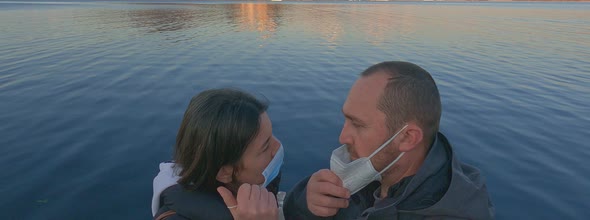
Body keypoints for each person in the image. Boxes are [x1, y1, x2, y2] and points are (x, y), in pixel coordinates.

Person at [284, 61, 494, 219]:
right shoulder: (378, 170)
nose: (342, 137)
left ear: (407, 138)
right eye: (346, 119)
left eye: (357, 125)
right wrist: (307, 202)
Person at [152, 88, 284, 220]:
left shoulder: (249, 180)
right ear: (224, 173)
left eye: (272, 134)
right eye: (265, 146)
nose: (277, 146)